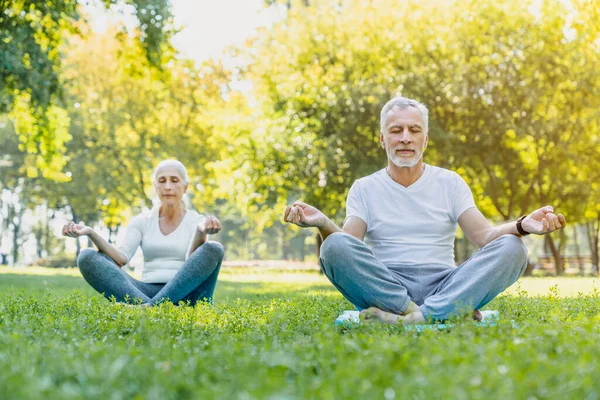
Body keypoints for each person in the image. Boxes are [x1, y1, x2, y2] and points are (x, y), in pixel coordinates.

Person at [284, 96, 566, 324]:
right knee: (332, 246)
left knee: (514, 249)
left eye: (414, 130)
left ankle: (410, 318)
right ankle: (435, 313)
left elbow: (484, 236)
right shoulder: (364, 187)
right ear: (383, 139)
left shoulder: (450, 182)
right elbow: (348, 245)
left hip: (446, 284)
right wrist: (323, 224)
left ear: (425, 140)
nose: (405, 137)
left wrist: (522, 226)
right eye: (396, 131)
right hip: (386, 286)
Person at [63, 160, 224, 306]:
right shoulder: (142, 221)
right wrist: (91, 233)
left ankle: (148, 309)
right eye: (162, 181)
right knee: (87, 257)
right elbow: (121, 258)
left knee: (214, 248)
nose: (168, 186)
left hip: (189, 295)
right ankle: (153, 307)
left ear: (185, 186)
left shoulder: (196, 221)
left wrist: (200, 231)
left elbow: (193, 264)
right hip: (144, 292)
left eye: (174, 180)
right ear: (155, 187)